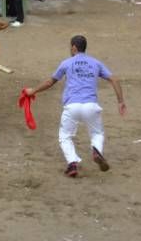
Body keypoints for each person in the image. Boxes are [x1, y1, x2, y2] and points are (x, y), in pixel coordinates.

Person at [24, 35, 126, 178]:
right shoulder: (95, 63)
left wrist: (32, 91)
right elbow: (114, 79)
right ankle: (97, 150)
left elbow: (49, 82)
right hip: (91, 105)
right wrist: (120, 101)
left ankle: (72, 164)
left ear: (74, 48)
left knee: (65, 136)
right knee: (97, 134)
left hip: (72, 106)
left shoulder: (67, 63)